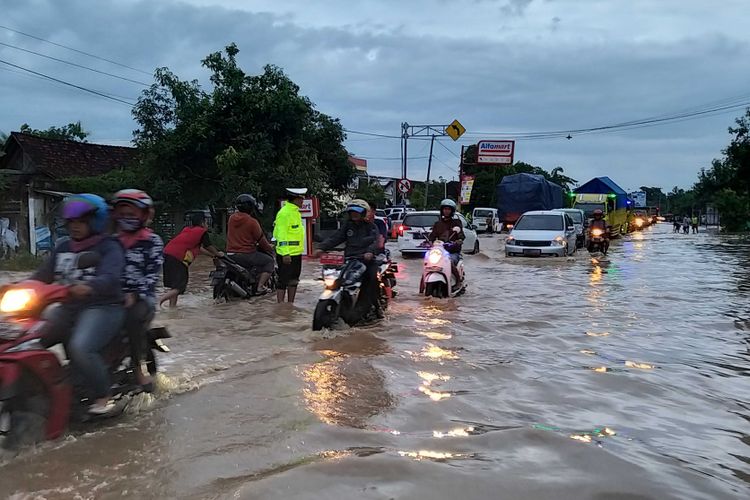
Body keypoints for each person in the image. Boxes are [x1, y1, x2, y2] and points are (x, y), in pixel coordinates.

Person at [33, 194, 125, 414]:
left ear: (97, 221)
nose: (75, 226)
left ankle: (105, 396)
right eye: (72, 222)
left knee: (80, 347)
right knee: (30, 340)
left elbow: (111, 277)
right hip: (68, 307)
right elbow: (41, 276)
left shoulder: (109, 246)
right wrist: (19, 286)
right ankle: (47, 389)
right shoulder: (63, 247)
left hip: (103, 307)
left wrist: (91, 286)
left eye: (82, 221)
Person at [111, 189, 163, 390]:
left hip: (142, 300)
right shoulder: (112, 242)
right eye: (122, 215)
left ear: (143, 216)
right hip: (111, 298)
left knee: (132, 319)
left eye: (131, 215)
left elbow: (152, 276)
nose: (127, 219)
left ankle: (138, 369)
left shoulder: (152, 241)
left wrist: (135, 294)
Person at [315, 199, 381, 318]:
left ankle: (372, 306)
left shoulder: (371, 227)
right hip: (350, 258)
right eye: (351, 212)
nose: (354, 214)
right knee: (338, 277)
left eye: (357, 212)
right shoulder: (347, 226)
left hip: (367, 260)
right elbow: (335, 238)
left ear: (364, 213)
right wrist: (321, 248)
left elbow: (374, 242)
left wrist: (370, 253)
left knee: (371, 278)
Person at [159, 212, 223, 307]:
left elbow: (200, 249)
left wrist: (212, 256)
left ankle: (172, 309)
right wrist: (218, 254)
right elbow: (208, 246)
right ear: (202, 223)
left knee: (174, 286)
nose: (207, 224)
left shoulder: (188, 231)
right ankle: (160, 301)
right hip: (178, 258)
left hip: (167, 255)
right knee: (180, 287)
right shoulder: (201, 232)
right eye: (206, 222)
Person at [227, 194, 275, 294]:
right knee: (269, 261)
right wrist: (270, 248)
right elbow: (262, 241)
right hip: (246, 255)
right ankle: (260, 287)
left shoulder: (231, 219)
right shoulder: (252, 222)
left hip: (230, 254)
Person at [273, 188, 307, 303]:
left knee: (294, 280)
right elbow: (281, 235)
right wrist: (285, 253)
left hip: (296, 253)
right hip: (286, 254)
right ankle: (280, 305)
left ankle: (289, 305)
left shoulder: (295, 213)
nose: (303, 201)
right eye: (301, 198)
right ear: (295, 199)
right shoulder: (284, 213)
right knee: (283, 281)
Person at [427, 199, 465, 282]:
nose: (446, 211)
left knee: (450, 261)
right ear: (442, 210)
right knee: (427, 262)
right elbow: (432, 236)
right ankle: (423, 286)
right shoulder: (438, 224)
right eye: (445, 209)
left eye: (448, 209)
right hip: (440, 252)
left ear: (452, 211)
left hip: (453, 252)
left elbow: (461, 235)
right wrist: (429, 242)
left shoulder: (456, 222)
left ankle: (458, 281)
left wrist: (459, 240)